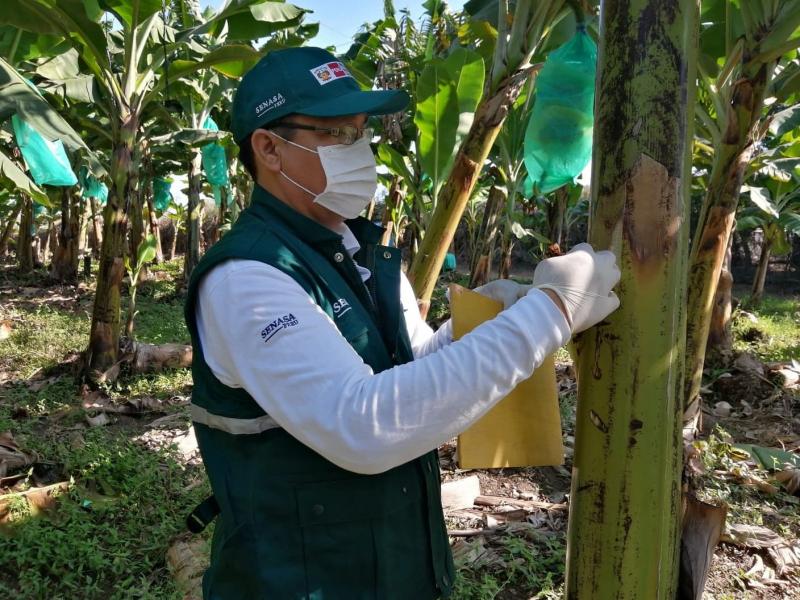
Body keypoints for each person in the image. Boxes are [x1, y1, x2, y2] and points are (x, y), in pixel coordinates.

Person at [184, 47, 621, 600]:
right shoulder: (248, 277)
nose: (360, 150)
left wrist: (479, 323)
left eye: (362, 131)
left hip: (390, 567)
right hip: (300, 579)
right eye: (336, 134)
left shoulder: (358, 251)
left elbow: (409, 366)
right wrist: (550, 314)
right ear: (269, 148)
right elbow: (362, 425)